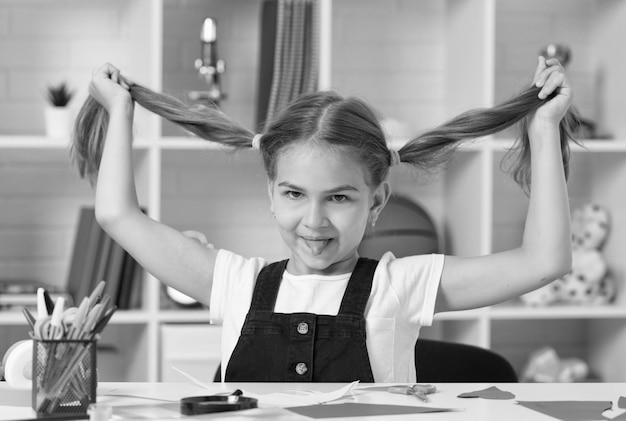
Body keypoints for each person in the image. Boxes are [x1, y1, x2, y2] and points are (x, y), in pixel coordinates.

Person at [75, 56, 574, 383]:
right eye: (295, 193)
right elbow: (118, 214)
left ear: (376, 201)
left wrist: (545, 128)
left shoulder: (399, 286)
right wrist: (120, 110)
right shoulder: (234, 284)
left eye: (338, 197)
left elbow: (544, 260)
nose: (314, 221)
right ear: (272, 193)